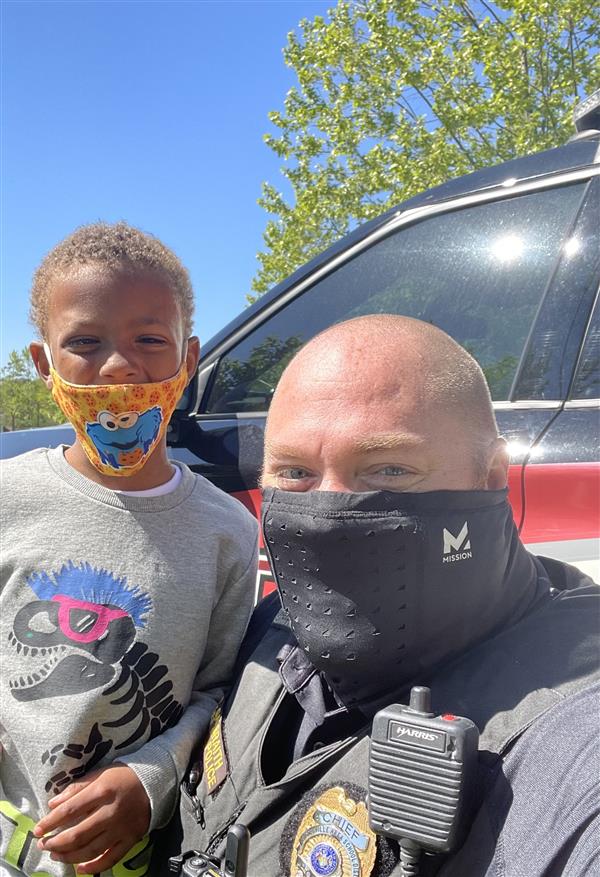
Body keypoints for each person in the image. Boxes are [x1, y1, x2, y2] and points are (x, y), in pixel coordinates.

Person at [160, 315, 599, 877]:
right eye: (294, 472)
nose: (330, 513)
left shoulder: (570, 738)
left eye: (389, 469)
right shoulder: (278, 623)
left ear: (491, 478)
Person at [0, 222, 258, 877]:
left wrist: (152, 779)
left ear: (188, 359)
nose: (118, 366)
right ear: (43, 364)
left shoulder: (228, 531)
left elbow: (221, 694)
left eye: (149, 339)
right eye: (84, 342)